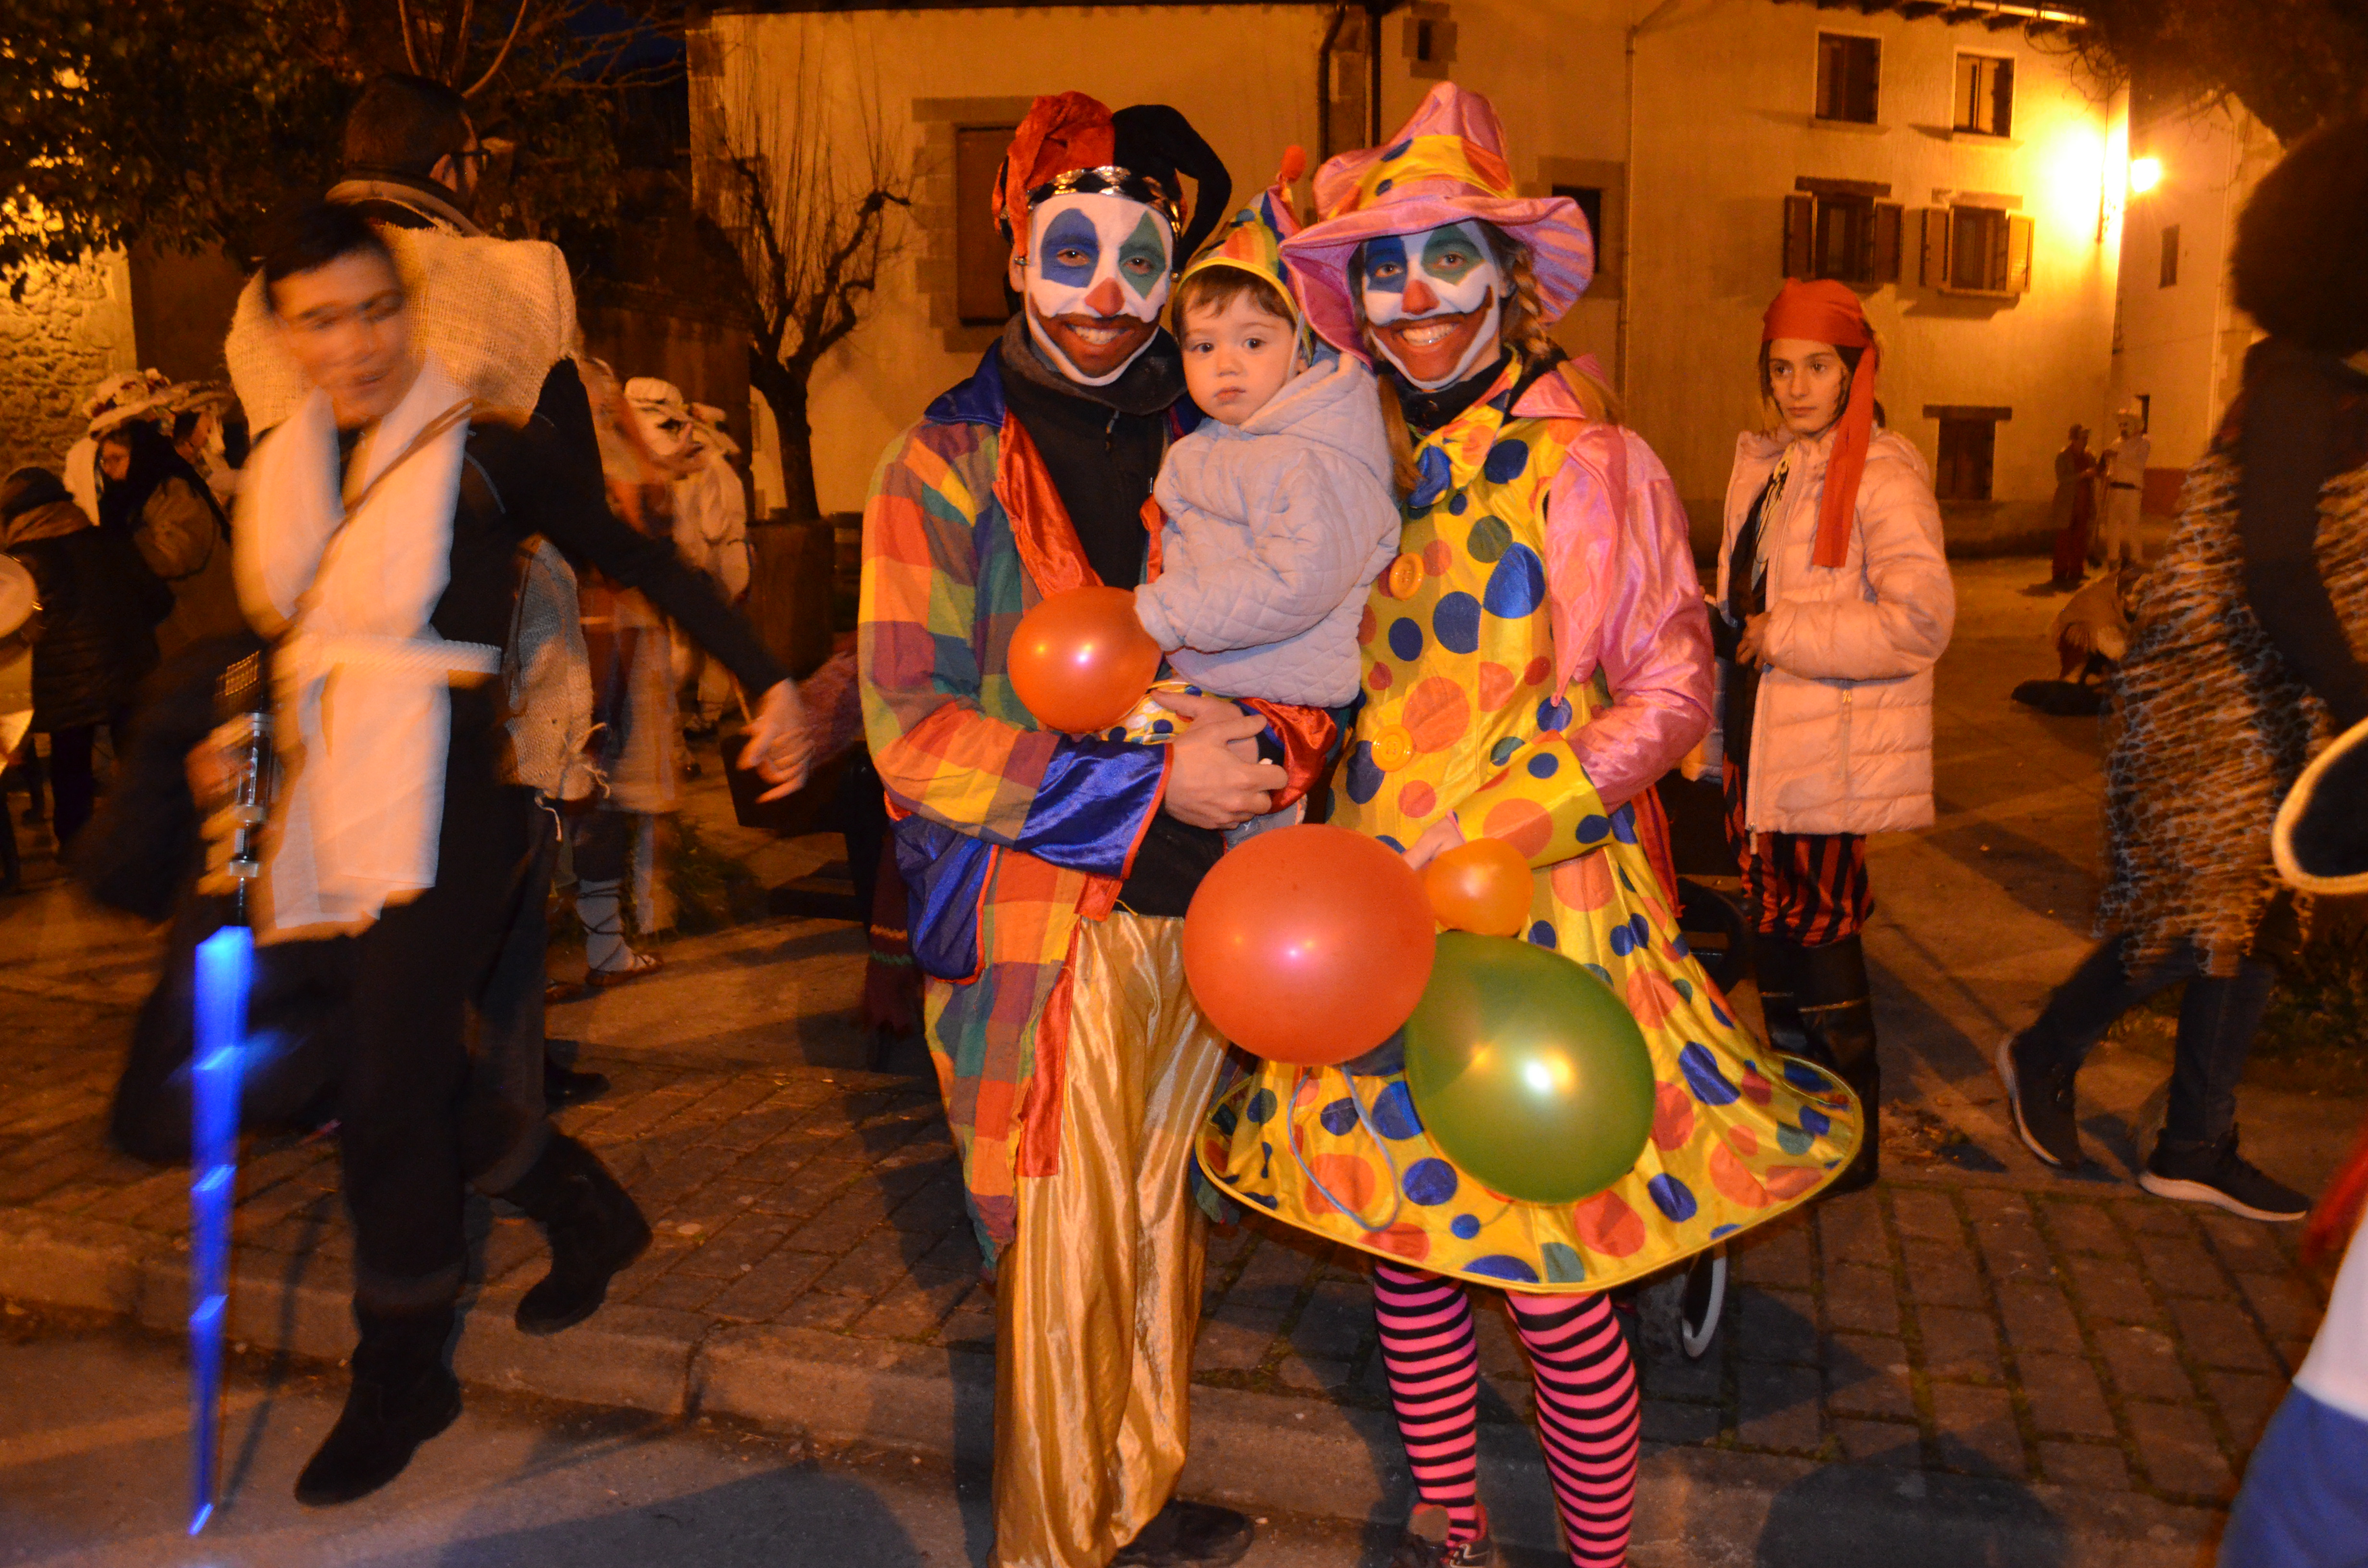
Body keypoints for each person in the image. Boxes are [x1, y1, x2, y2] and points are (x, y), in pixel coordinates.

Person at [1196, 85, 1864, 1568]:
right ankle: (1452, 1528)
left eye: (1448, 259)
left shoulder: (1590, 463)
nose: (1417, 296)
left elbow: (1674, 684)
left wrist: (1523, 814)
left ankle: (1597, 1556)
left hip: (1540, 914)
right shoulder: (1360, 470)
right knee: (1407, 1255)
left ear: (1509, 282)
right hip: (1374, 918)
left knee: (1555, 1277)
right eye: (1384, 268)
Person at [224, 202, 807, 1506]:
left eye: (377, 310)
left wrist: (768, 678)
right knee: (376, 1075)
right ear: (288, 336)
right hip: (324, 810)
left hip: (454, 811)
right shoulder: (283, 466)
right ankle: (576, 1200)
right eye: (323, 320)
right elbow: (264, 637)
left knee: (385, 1097)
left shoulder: (483, 454)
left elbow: (641, 559)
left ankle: (402, 1372)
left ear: (409, 309)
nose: (356, 342)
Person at [860, 92, 1295, 1568]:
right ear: (1015, 259)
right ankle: (1055, 1545)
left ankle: (1133, 1495)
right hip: (1046, 918)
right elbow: (911, 727)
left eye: (1138, 258)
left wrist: (1276, 747)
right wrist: (1146, 788)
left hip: (1209, 908)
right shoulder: (942, 462)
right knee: (1061, 1252)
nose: (1106, 292)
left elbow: (1276, 638)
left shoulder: (1211, 439)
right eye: (1070, 252)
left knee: (1162, 1220)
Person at [1996, 120, 2368, 1224]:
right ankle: (2045, 1049)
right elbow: (2278, 564)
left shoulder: (2322, 388)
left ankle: (2194, 1142)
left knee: (2252, 923)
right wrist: (2360, 701)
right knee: (2191, 918)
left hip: (2273, 702)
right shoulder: (2297, 388)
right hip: (2218, 703)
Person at [1711, 280, 1955, 1195]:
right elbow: (1749, 594)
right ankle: (1802, 1119)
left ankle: (1849, 1142)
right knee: (1774, 921)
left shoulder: (1881, 472)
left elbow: (1919, 620)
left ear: (1856, 369)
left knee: (1819, 925)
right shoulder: (1771, 466)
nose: (1796, 386)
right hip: (1758, 732)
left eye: (1817, 367)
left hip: (1824, 741)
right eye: (1781, 368)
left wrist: (1785, 633)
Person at [1123, 155, 1399, 822]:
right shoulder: (1223, 441)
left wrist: (1157, 615)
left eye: (1253, 342)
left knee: (1249, 860)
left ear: (1303, 349)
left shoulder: (1316, 459)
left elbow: (1294, 580)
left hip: (1278, 710)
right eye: (1203, 347)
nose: (1226, 365)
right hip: (1214, 679)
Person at [0, 468, 169, 848]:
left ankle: (76, 847)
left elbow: (12, 639)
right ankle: (151, 839)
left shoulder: (19, 566)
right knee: (137, 759)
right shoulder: (109, 542)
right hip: (129, 671)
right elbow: (158, 599)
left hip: (64, 689)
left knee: (70, 762)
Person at [622, 377, 751, 737]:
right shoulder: (710, 463)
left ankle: (687, 720)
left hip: (706, 564)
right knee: (705, 644)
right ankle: (693, 719)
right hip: (704, 563)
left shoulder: (694, 464)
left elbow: (710, 527)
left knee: (691, 645)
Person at [95, 416, 245, 658]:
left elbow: (176, 553)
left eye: (118, 459)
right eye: (105, 461)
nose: (110, 469)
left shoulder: (172, 492)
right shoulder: (130, 501)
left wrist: (122, 552)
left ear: (141, 455)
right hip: (187, 634)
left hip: (212, 627)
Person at [2097, 405, 2149, 568]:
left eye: (2126, 424)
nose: (2122, 428)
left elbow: (2137, 464)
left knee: (2132, 525)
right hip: (2115, 489)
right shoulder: (2116, 443)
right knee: (2112, 525)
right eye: (2120, 425)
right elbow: (2110, 465)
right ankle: (2113, 558)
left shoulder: (2143, 444)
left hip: (2132, 490)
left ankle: (2137, 559)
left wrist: (2118, 456)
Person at [2048, 423, 2098, 590]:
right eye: (2083, 438)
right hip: (2068, 503)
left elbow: (2097, 471)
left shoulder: (2089, 456)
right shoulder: (2063, 456)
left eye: (2086, 438)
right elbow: (2062, 479)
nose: (2086, 441)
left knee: (2080, 538)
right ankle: (2060, 572)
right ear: (2074, 439)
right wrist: (2083, 475)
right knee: (2064, 539)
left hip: (2084, 502)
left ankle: (2077, 570)